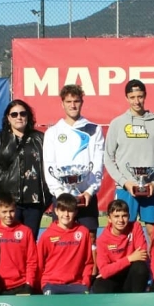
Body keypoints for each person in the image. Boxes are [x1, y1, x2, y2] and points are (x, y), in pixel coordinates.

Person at [104, 79, 154, 235]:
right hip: (125, 188)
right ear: (126, 98)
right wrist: (124, 182)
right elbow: (108, 157)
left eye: (140, 96)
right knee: (124, 229)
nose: (137, 101)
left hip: (150, 188)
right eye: (132, 97)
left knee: (153, 230)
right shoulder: (117, 123)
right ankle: (129, 260)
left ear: (145, 96)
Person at [43, 84, 105, 240]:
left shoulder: (94, 129)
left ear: (82, 102)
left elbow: (98, 163)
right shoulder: (52, 132)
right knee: (61, 240)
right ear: (62, 103)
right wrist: (59, 193)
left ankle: (92, 266)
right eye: (69, 101)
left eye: (76, 101)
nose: (73, 105)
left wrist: (90, 191)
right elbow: (49, 166)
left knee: (90, 239)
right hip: (62, 195)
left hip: (86, 195)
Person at [0, 99, 50, 241]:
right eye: (14, 114)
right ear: (8, 118)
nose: (19, 117)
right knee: (8, 241)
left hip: (34, 201)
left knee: (30, 240)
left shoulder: (40, 138)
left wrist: (47, 197)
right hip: (8, 201)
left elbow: (50, 167)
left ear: (28, 116)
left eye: (22, 113)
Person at [35, 193, 94, 294]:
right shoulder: (47, 235)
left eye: (70, 211)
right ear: (56, 211)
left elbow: (88, 262)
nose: (66, 214)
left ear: (75, 212)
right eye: (62, 210)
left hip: (77, 284)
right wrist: (39, 286)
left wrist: (86, 281)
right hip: (51, 284)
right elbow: (39, 264)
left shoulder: (83, 232)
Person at [0, 190, 38, 295]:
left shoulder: (25, 231)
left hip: (21, 285)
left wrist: (29, 283)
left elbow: (32, 261)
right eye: (4, 212)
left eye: (12, 211)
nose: (8, 215)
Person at [92, 199, 150, 294]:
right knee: (99, 286)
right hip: (114, 276)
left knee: (140, 267)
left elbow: (142, 255)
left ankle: (137, 302)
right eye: (116, 216)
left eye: (124, 216)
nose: (121, 220)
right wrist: (129, 258)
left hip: (131, 274)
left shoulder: (135, 227)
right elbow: (104, 271)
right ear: (109, 219)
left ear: (129, 216)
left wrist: (114, 266)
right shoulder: (102, 240)